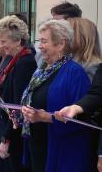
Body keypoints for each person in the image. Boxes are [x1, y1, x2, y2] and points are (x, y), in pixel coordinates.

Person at [21, 19, 96, 172]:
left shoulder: (74, 72)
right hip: (39, 146)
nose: (39, 46)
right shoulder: (41, 71)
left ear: (61, 44)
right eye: (39, 41)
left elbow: (84, 119)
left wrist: (47, 118)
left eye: (44, 41)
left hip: (63, 152)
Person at [0, 16, 37, 172]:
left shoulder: (25, 62)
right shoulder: (14, 59)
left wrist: (6, 138)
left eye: (4, 41)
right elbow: (4, 91)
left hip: (12, 131)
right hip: (3, 124)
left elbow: (17, 105)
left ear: (17, 41)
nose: (1, 46)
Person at [35, 2, 82, 66]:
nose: (51, 24)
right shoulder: (42, 54)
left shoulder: (79, 59)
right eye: (52, 21)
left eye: (57, 21)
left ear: (71, 23)